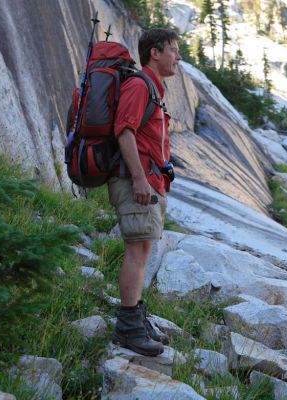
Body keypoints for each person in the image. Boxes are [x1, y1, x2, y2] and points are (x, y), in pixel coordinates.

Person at [108, 28, 181, 356]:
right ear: (155, 52)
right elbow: (124, 130)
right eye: (173, 50)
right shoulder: (140, 85)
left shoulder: (154, 88)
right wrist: (138, 178)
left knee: (143, 250)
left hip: (150, 182)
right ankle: (127, 328)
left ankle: (136, 317)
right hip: (136, 181)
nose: (177, 57)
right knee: (136, 252)